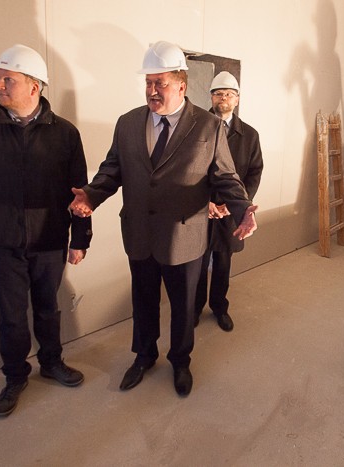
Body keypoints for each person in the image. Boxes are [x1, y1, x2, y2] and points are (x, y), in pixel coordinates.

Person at [70, 41, 257, 397]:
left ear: (182, 85)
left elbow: (226, 177)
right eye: (148, 83)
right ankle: (143, 355)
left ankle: (180, 361)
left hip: (185, 236)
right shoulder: (128, 123)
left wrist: (242, 208)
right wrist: (92, 195)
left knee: (184, 306)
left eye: (161, 83)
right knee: (143, 301)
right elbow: (112, 169)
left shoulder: (208, 127)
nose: (152, 91)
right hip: (140, 232)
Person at [0, 44, 92, 418]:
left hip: (50, 240)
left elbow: (80, 192)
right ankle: (15, 376)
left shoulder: (65, 134)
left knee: (48, 309)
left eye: (8, 79)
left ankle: (51, 362)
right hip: (2, 243)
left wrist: (80, 238)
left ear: (34, 86)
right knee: (11, 316)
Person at [195, 72, 263, 332]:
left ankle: (219, 307)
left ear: (237, 99)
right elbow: (188, 172)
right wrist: (205, 203)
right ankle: (194, 308)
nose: (223, 98)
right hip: (200, 210)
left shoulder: (250, 135)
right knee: (197, 264)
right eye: (218, 93)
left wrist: (237, 206)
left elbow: (254, 172)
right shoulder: (195, 128)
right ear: (211, 97)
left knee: (223, 264)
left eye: (229, 94)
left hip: (229, 213)